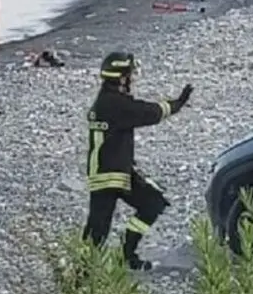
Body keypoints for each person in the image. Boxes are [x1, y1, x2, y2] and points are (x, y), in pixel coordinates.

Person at [82, 52, 194, 270]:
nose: (132, 78)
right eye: (130, 74)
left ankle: (119, 257)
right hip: (110, 175)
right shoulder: (116, 104)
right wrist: (177, 103)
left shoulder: (106, 101)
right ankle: (85, 273)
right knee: (100, 227)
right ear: (122, 77)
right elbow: (148, 112)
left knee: (149, 205)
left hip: (112, 172)